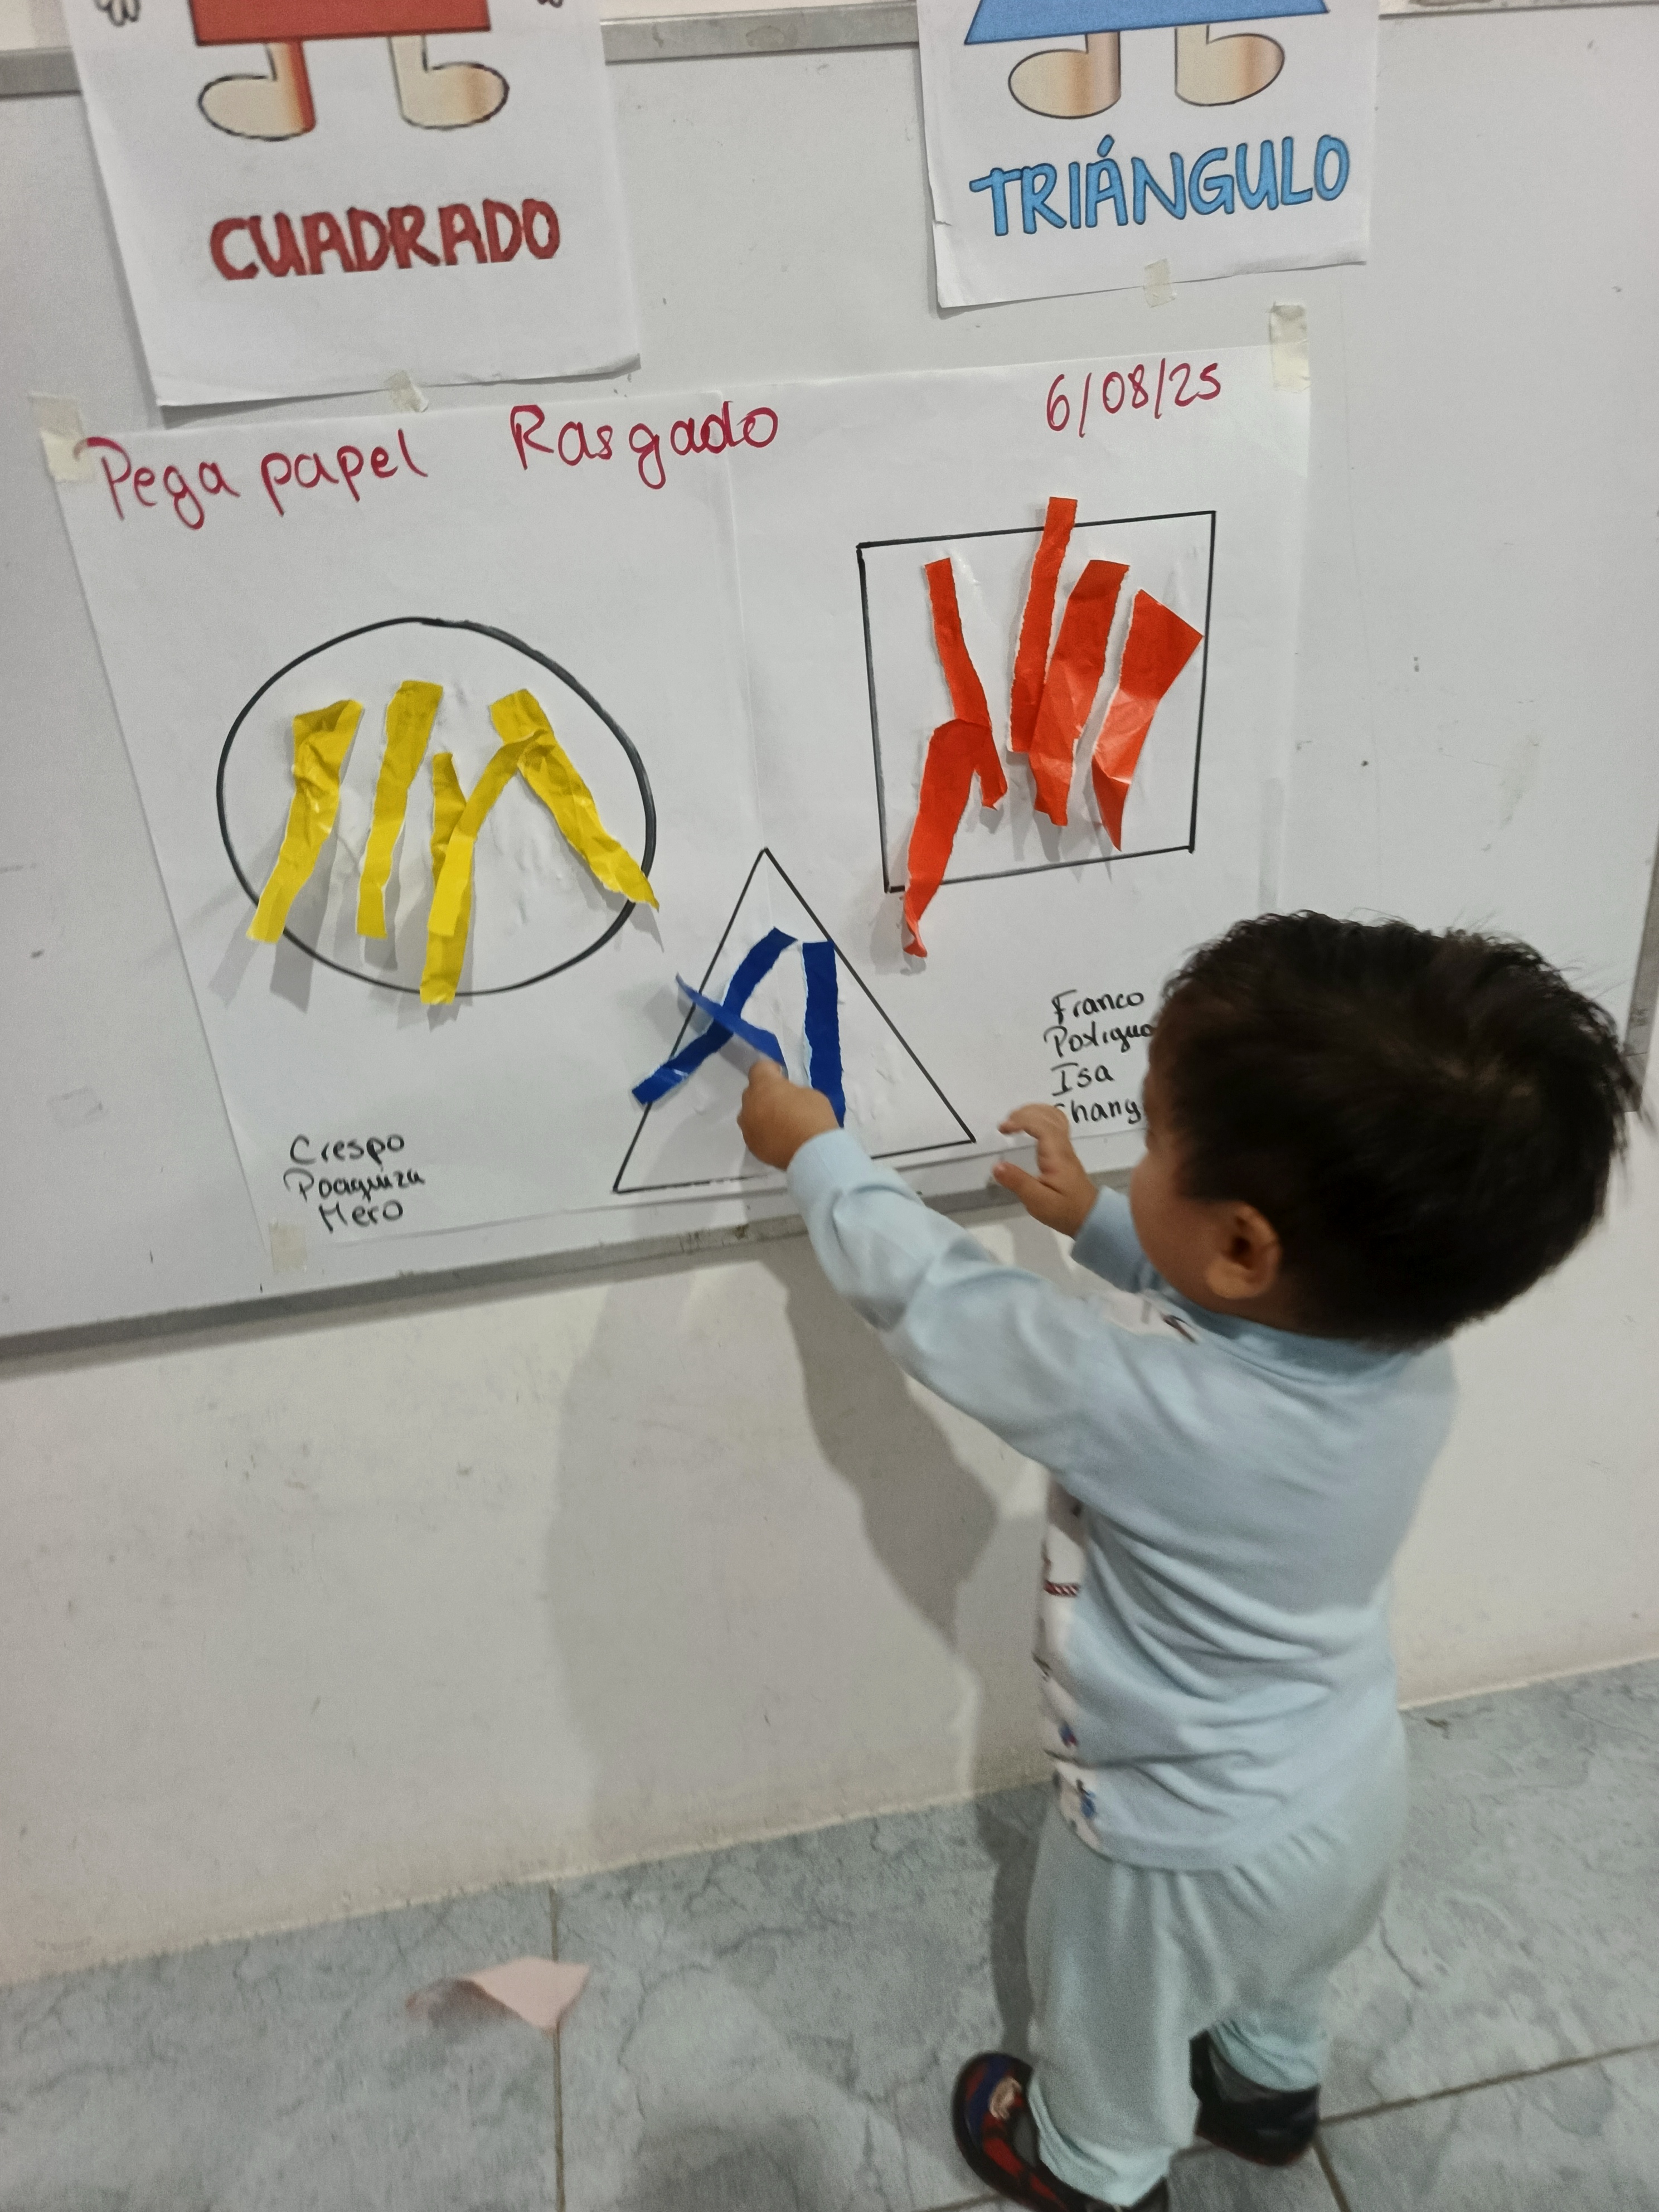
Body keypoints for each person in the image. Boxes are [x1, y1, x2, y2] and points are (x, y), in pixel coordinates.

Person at [736, 912, 1640, 2212]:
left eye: (1155, 1141)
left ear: (1245, 1244)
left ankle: (1089, 2163)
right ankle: (1268, 2093)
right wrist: (1107, 1224)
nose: (1139, 1154)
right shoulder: (1410, 1359)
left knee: (1107, 2011)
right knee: (1281, 1973)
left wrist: (818, 1155)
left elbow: (945, 1304)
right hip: (1347, 1788)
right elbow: (1251, 1312)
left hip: (1172, 1839)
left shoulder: (1147, 1408)